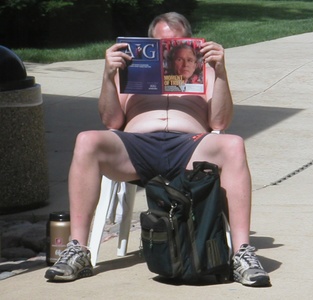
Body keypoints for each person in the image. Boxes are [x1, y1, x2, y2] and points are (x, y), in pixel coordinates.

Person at [45, 12, 271, 287]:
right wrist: (108, 75)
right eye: (162, 44)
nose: (170, 51)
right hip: (136, 147)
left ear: (189, 42)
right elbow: (111, 121)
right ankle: (78, 249)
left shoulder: (206, 70)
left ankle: (241, 253)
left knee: (233, 144)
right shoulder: (130, 67)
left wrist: (221, 72)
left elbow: (219, 122)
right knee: (86, 140)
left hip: (188, 147)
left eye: (177, 43)